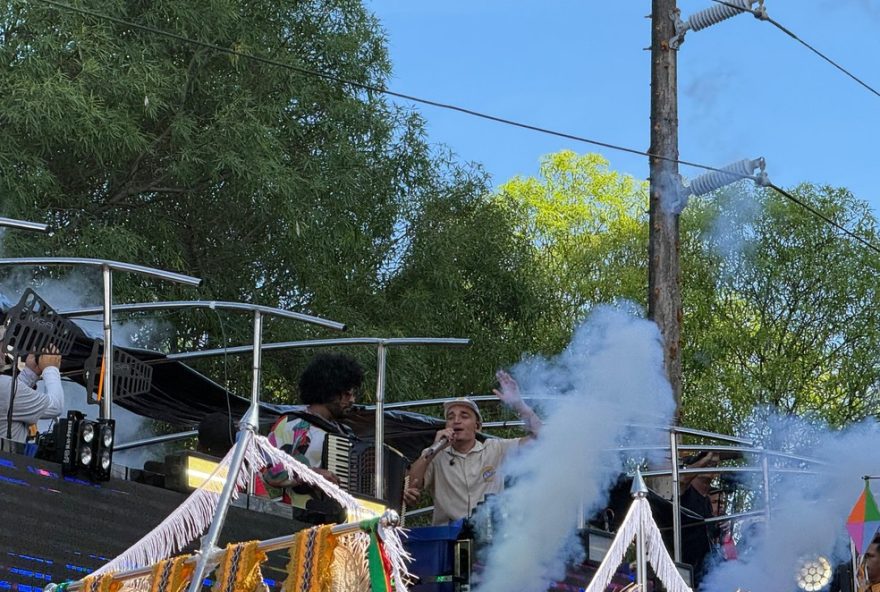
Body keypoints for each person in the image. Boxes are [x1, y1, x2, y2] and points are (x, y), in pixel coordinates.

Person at [404, 370, 541, 525]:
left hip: (489, 539)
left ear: (477, 426)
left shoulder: (496, 449)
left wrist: (520, 405)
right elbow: (408, 486)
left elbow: (540, 438)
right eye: (450, 417)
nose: (456, 421)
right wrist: (433, 449)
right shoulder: (434, 455)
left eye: (464, 416)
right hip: (447, 539)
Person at [262, 352, 363, 523]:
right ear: (329, 391)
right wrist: (312, 475)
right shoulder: (292, 423)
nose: (352, 400)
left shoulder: (346, 434)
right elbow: (270, 472)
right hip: (298, 524)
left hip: (339, 530)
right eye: (347, 394)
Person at [0, 350, 63, 443]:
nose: (3, 351)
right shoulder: (4, 386)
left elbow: (12, 404)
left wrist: (30, 373)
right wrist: (51, 368)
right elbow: (55, 406)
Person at [678, 451, 721, 586]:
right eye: (708, 465)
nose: (711, 468)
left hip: (704, 568)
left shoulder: (707, 502)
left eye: (714, 466)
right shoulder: (685, 492)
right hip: (685, 563)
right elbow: (681, 479)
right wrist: (705, 460)